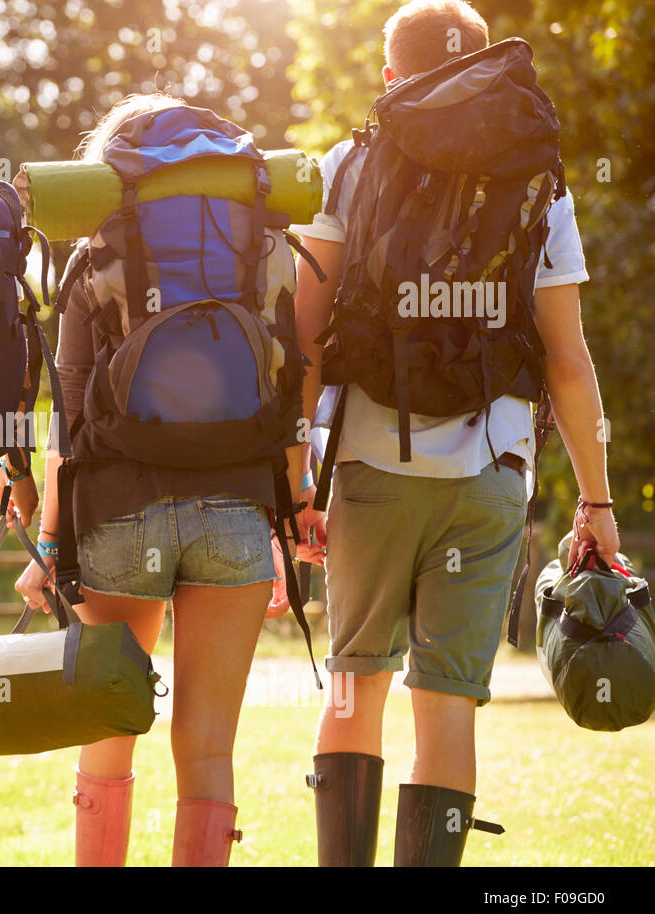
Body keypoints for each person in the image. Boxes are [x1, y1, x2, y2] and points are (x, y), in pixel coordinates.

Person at [297, 0, 619, 866]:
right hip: (489, 470)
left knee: (355, 687)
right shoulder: (538, 178)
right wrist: (597, 499)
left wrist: (295, 473)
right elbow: (567, 362)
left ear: (390, 74)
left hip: (370, 462)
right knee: (445, 703)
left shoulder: (347, 164)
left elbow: (305, 339)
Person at [14, 92, 325, 867]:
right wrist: (288, 524)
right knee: (208, 745)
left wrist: (50, 540)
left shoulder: (95, 258)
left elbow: (70, 421)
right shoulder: (266, 252)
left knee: (108, 730)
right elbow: (291, 403)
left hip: (121, 512)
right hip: (237, 518)